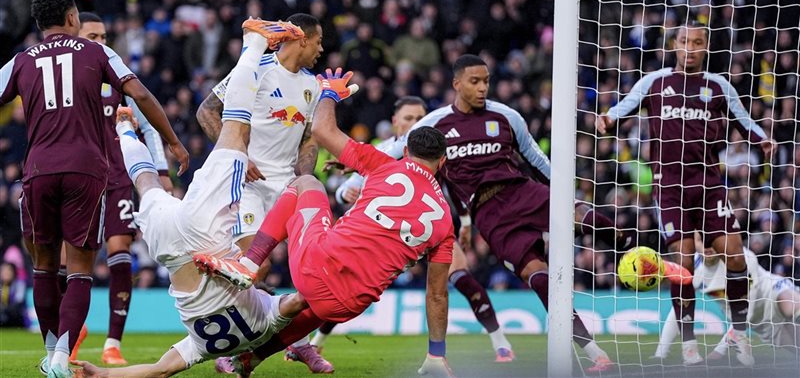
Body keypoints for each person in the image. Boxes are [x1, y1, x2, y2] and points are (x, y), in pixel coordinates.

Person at [75, 19, 311, 377]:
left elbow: (299, 302)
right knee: (147, 184)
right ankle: (125, 129)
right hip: (168, 249)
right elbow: (159, 371)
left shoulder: (265, 323)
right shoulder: (202, 348)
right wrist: (104, 375)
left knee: (235, 130)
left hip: (205, 238)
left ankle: (253, 42)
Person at [192, 68, 456, 378]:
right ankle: (252, 358)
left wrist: (329, 93)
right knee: (321, 303)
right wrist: (436, 352)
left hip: (316, 267)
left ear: (406, 151)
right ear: (442, 161)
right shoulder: (444, 220)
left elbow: (322, 130)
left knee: (306, 182)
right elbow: (437, 295)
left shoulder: (385, 164)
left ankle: (249, 264)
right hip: (348, 306)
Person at [386, 54, 622, 372]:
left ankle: (631, 250)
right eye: (475, 82)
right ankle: (595, 353)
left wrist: (567, 196)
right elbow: (390, 153)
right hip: (488, 216)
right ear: (456, 84)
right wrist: (353, 180)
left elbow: (536, 160)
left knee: (586, 217)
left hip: (521, 192)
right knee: (536, 277)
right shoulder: (436, 125)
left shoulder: (506, 116)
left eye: (486, 81)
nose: (482, 88)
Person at [0, 0, 188, 378]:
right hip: (86, 170)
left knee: (44, 267)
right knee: (80, 269)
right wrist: (172, 141)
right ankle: (61, 358)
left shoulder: (20, 60)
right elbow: (140, 94)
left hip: (38, 170)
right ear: (72, 18)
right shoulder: (98, 52)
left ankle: (50, 352)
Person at [596, 21, 775, 366]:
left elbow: (744, 121)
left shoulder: (718, 86)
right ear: (674, 45)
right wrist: (606, 120)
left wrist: (762, 140)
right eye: (683, 41)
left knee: (736, 257)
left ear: (705, 47)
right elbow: (620, 110)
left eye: (696, 42)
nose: (689, 48)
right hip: (669, 188)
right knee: (684, 265)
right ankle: (689, 345)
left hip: (709, 185)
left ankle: (739, 334)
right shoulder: (654, 82)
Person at [323, 95, 515, 362]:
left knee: (461, 276)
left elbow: (454, 186)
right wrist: (346, 193)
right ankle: (317, 341)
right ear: (395, 121)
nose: (415, 122)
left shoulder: (433, 149)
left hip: (430, 228)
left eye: (420, 118)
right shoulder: (383, 151)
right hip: (386, 233)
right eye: (409, 118)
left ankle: (499, 340)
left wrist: (465, 222)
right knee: (349, 285)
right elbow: (347, 187)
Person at [197, 12, 332, 373]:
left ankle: (297, 344)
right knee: (255, 266)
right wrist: (238, 156)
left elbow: (308, 140)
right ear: (302, 39)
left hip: (286, 187)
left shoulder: (312, 85)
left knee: (310, 267)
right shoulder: (257, 67)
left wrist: (304, 180)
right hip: (248, 186)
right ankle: (230, 347)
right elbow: (207, 111)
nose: (321, 49)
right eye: (319, 41)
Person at [60, 11, 172, 365]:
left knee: (120, 248)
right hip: (79, 176)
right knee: (68, 258)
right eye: (93, 36)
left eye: (104, 37)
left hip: (117, 176)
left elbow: (148, 124)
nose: (101, 43)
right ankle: (74, 328)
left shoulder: (116, 73)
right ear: (77, 37)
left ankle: (113, 342)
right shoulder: (67, 77)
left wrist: (162, 169)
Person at [655, 236, 800, 362]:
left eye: (711, 239)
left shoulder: (740, 257)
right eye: (701, 240)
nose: (707, 245)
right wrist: (661, 353)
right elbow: (680, 310)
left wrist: (720, 350)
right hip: (762, 323)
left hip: (772, 292)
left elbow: (747, 308)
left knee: (793, 305)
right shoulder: (692, 269)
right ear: (694, 242)